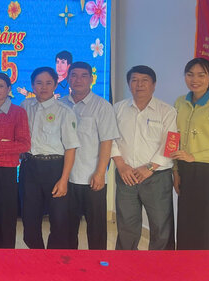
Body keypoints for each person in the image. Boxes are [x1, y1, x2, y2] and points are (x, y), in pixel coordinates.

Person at [111, 65, 176, 250]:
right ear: (129, 84)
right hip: (126, 175)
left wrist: (149, 168)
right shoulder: (118, 109)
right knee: (127, 227)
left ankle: (158, 271)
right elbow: (110, 139)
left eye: (144, 80)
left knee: (160, 226)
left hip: (156, 177)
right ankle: (125, 269)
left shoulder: (167, 111)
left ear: (154, 85)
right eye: (134, 80)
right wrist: (121, 165)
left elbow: (170, 144)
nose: (139, 85)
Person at [61, 61, 119, 250]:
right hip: (65, 178)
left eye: (83, 75)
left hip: (91, 177)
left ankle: (98, 268)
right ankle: (68, 266)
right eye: (74, 75)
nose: (78, 80)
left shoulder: (102, 106)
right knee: (67, 228)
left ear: (91, 79)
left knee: (96, 229)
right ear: (68, 78)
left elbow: (107, 141)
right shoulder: (60, 104)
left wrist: (101, 173)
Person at [20, 66, 79, 249]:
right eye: (39, 83)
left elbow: (70, 148)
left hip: (55, 168)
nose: (43, 87)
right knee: (29, 220)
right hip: (29, 168)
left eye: (48, 83)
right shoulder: (24, 106)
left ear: (55, 85)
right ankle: (37, 258)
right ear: (32, 85)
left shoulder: (64, 111)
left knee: (59, 221)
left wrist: (64, 179)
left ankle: (54, 263)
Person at [172, 57, 209, 250]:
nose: (195, 79)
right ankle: (185, 269)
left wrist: (194, 156)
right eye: (190, 74)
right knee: (186, 222)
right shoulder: (180, 102)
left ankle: (207, 271)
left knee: (207, 224)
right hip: (185, 170)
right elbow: (173, 139)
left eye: (201, 75)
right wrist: (175, 171)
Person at [0, 72, 30, 249]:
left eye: (1, 86)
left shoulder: (18, 112)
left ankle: (8, 256)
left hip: (6, 170)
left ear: (9, 89)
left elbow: (24, 144)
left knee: (7, 216)